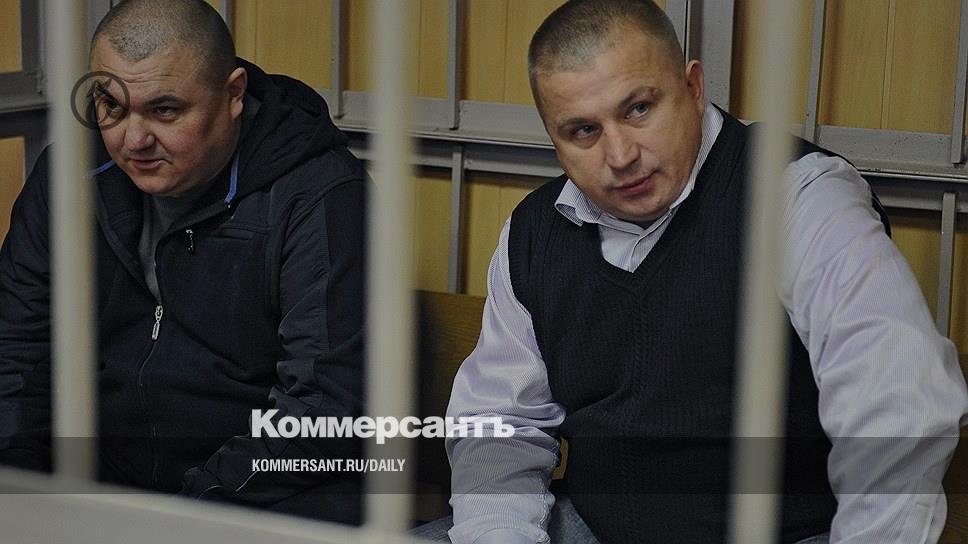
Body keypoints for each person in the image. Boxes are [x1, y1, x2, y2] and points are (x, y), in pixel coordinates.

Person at [432, 0, 968, 542]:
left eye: (639, 109)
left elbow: (897, 401)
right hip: (597, 526)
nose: (620, 155)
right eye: (583, 130)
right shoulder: (534, 232)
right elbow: (501, 423)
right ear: (553, 136)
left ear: (692, 87)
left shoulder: (799, 196)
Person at [0, 0, 366, 524]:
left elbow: (322, 410)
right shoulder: (70, 174)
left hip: (260, 500)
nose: (133, 141)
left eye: (165, 110)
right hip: (100, 484)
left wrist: (178, 520)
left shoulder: (319, 196)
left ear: (233, 95)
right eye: (110, 105)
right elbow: (17, 351)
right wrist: (19, 491)